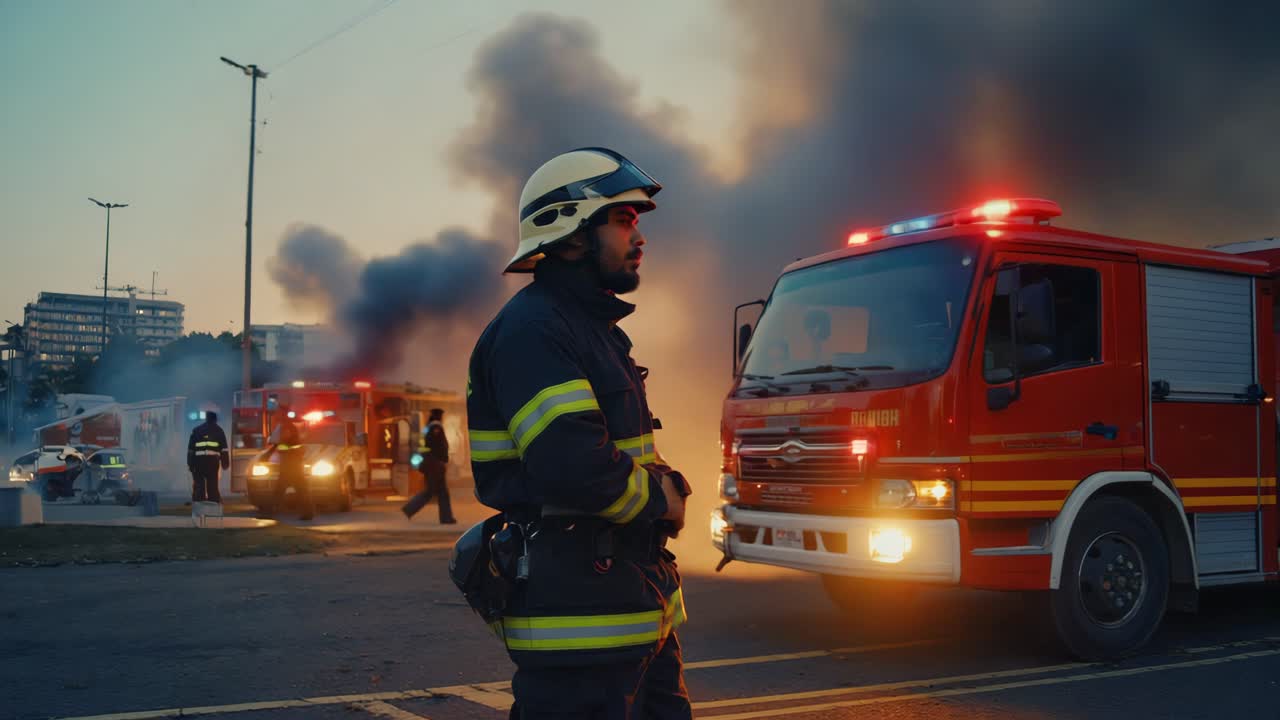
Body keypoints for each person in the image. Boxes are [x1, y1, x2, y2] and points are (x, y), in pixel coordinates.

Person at [465, 147, 692, 719]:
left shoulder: (589, 329)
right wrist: (661, 500)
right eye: (622, 219)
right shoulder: (534, 330)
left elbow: (615, 448)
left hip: (628, 606)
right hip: (581, 622)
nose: (639, 235)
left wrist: (666, 481)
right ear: (569, 235)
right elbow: (572, 464)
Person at [401, 408, 457, 523]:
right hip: (435, 465)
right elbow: (439, 446)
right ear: (439, 417)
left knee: (442, 492)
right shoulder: (436, 427)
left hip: (431, 463)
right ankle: (409, 509)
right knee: (430, 492)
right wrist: (443, 460)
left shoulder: (427, 428)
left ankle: (446, 518)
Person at [268, 408, 313, 521]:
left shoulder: (287, 427)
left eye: (278, 413)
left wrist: (280, 448)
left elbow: (285, 443)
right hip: (293, 463)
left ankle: (269, 512)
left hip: (290, 464)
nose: (276, 415)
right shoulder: (287, 426)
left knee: (281, 489)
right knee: (300, 489)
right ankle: (308, 513)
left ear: (283, 414)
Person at [186, 411, 230, 503]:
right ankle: (213, 503)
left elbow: (191, 450)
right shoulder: (219, 430)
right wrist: (225, 464)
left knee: (199, 485)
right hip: (212, 462)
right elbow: (224, 449)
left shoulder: (196, 430)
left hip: (198, 462)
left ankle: (199, 504)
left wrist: (190, 464)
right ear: (215, 419)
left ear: (206, 418)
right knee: (212, 484)